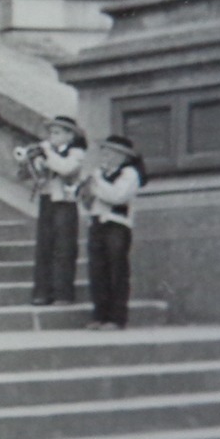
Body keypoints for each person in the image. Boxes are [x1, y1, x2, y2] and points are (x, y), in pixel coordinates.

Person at [84, 134, 146, 330]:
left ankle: (116, 318)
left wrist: (97, 183)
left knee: (116, 271)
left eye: (110, 153)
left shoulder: (129, 174)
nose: (105, 156)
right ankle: (99, 315)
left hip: (117, 226)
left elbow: (117, 196)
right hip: (97, 223)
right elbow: (90, 200)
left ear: (123, 156)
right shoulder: (100, 173)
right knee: (97, 271)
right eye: (103, 151)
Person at [30, 115, 88, 306]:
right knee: (44, 246)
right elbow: (33, 175)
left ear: (70, 136)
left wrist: (46, 153)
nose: (51, 137)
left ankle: (63, 293)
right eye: (50, 133)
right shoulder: (49, 152)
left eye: (56, 133)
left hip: (65, 202)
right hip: (47, 199)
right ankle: (42, 292)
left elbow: (65, 168)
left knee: (64, 247)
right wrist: (33, 163)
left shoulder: (76, 153)